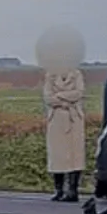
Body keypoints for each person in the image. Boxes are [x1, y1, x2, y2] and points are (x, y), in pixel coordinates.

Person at [42, 66, 88, 202]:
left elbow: (79, 93)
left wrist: (59, 96)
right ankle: (59, 190)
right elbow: (48, 97)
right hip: (56, 120)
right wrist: (65, 100)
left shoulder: (77, 74)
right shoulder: (50, 75)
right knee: (58, 155)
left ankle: (73, 191)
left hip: (74, 120)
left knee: (75, 155)